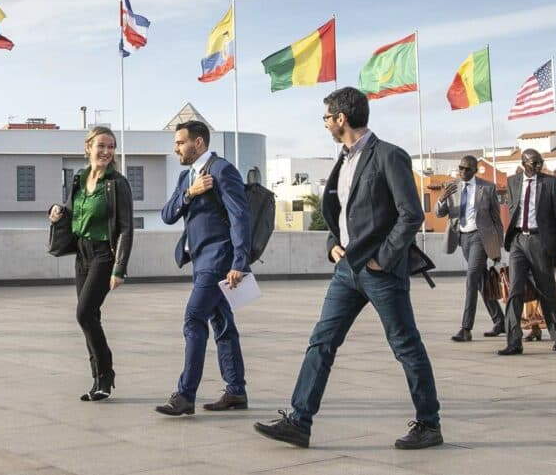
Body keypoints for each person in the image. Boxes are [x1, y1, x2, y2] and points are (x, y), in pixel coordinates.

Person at [254, 87, 442, 450]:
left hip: (380, 272)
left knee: (405, 345)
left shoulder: (388, 155)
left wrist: (383, 258)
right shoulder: (342, 160)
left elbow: (410, 214)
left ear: (341, 118)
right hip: (346, 270)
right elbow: (339, 213)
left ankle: (429, 424)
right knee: (321, 341)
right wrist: (332, 244)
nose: (325, 123)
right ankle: (299, 421)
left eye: (327, 117)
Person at [156, 120, 252, 416]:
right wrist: (191, 193)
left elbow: (240, 217)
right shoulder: (186, 177)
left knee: (193, 318)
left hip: (218, 259)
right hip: (199, 260)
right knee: (222, 322)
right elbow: (167, 215)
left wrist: (240, 262)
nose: (176, 148)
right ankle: (236, 391)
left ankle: (185, 395)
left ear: (198, 143)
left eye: (180, 142)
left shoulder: (222, 170)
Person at [48, 126, 133, 402]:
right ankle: (99, 381)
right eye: (101, 146)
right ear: (88, 148)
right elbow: (71, 211)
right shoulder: (79, 178)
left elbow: (126, 227)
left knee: (84, 313)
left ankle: (105, 374)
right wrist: (56, 212)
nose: (106, 152)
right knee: (90, 317)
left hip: (104, 254)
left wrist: (119, 268)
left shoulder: (117, 183)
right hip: (82, 253)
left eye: (111, 147)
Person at [498, 149, 556, 355]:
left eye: (540, 162)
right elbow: (513, 208)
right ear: (524, 164)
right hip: (518, 240)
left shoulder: (550, 183)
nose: (538, 166)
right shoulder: (513, 181)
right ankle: (514, 341)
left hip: (540, 240)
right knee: (515, 290)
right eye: (534, 163)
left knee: (546, 290)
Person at [436, 155, 505, 342]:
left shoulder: (487, 188)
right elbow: (439, 213)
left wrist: (497, 247)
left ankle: (466, 328)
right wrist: (442, 199)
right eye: (461, 168)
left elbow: (496, 220)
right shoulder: (451, 187)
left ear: (475, 170)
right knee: (481, 281)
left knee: (472, 278)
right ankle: (500, 321)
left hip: (480, 238)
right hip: (463, 238)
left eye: (467, 169)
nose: (463, 171)